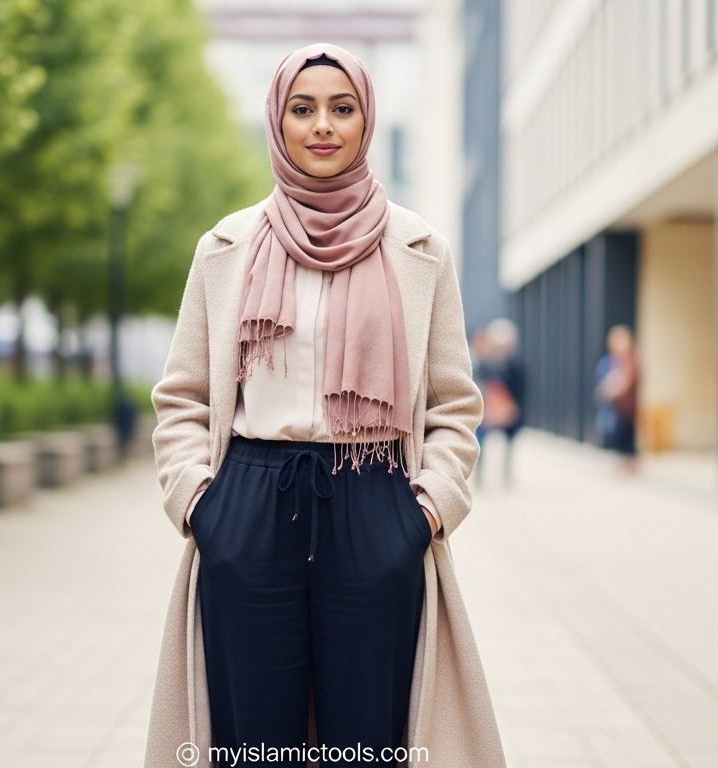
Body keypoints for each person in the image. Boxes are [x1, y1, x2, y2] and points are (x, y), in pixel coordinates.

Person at [146, 44, 505, 768]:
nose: (323, 126)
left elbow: (454, 402)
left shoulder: (418, 248)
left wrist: (424, 511)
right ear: (277, 120)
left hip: (376, 500)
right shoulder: (227, 246)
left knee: (367, 741)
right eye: (302, 108)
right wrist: (202, 506)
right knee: (255, 743)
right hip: (247, 503)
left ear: (366, 119)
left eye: (342, 108)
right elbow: (181, 395)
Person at [472, 318, 524, 488]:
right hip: (486, 411)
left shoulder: (516, 367)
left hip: (507, 411)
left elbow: (521, 392)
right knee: (480, 443)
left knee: (508, 444)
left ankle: (506, 477)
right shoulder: (485, 365)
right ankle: (480, 477)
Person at [595, 324, 640, 473]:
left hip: (627, 407)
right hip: (617, 407)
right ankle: (624, 463)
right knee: (620, 435)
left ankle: (629, 464)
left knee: (627, 436)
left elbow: (628, 381)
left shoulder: (630, 360)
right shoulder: (611, 361)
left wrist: (615, 387)